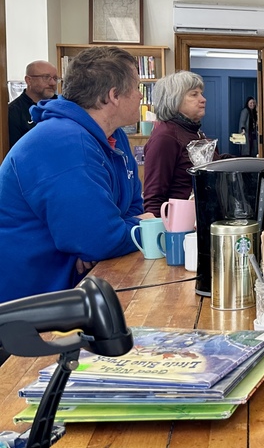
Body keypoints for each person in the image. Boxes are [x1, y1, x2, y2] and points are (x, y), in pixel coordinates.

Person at [0, 46, 154, 304]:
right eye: (137, 86)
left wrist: (105, 237)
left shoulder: (114, 137)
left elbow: (130, 208)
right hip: (31, 304)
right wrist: (145, 226)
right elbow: (99, 239)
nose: (140, 95)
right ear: (114, 95)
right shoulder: (64, 143)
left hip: (79, 286)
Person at [143, 71, 225, 216]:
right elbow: (154, 199)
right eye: (194, 94)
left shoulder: (195, 133)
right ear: (174, 100)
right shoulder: (165, 137)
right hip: (180, 228)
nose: (203, 99)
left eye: (201, 93)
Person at [8, 60, 59, 149]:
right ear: (28, 80)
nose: (53, 83)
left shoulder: (63, 106)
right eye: (46, 77)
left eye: (55, 78)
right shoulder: (13, 112)